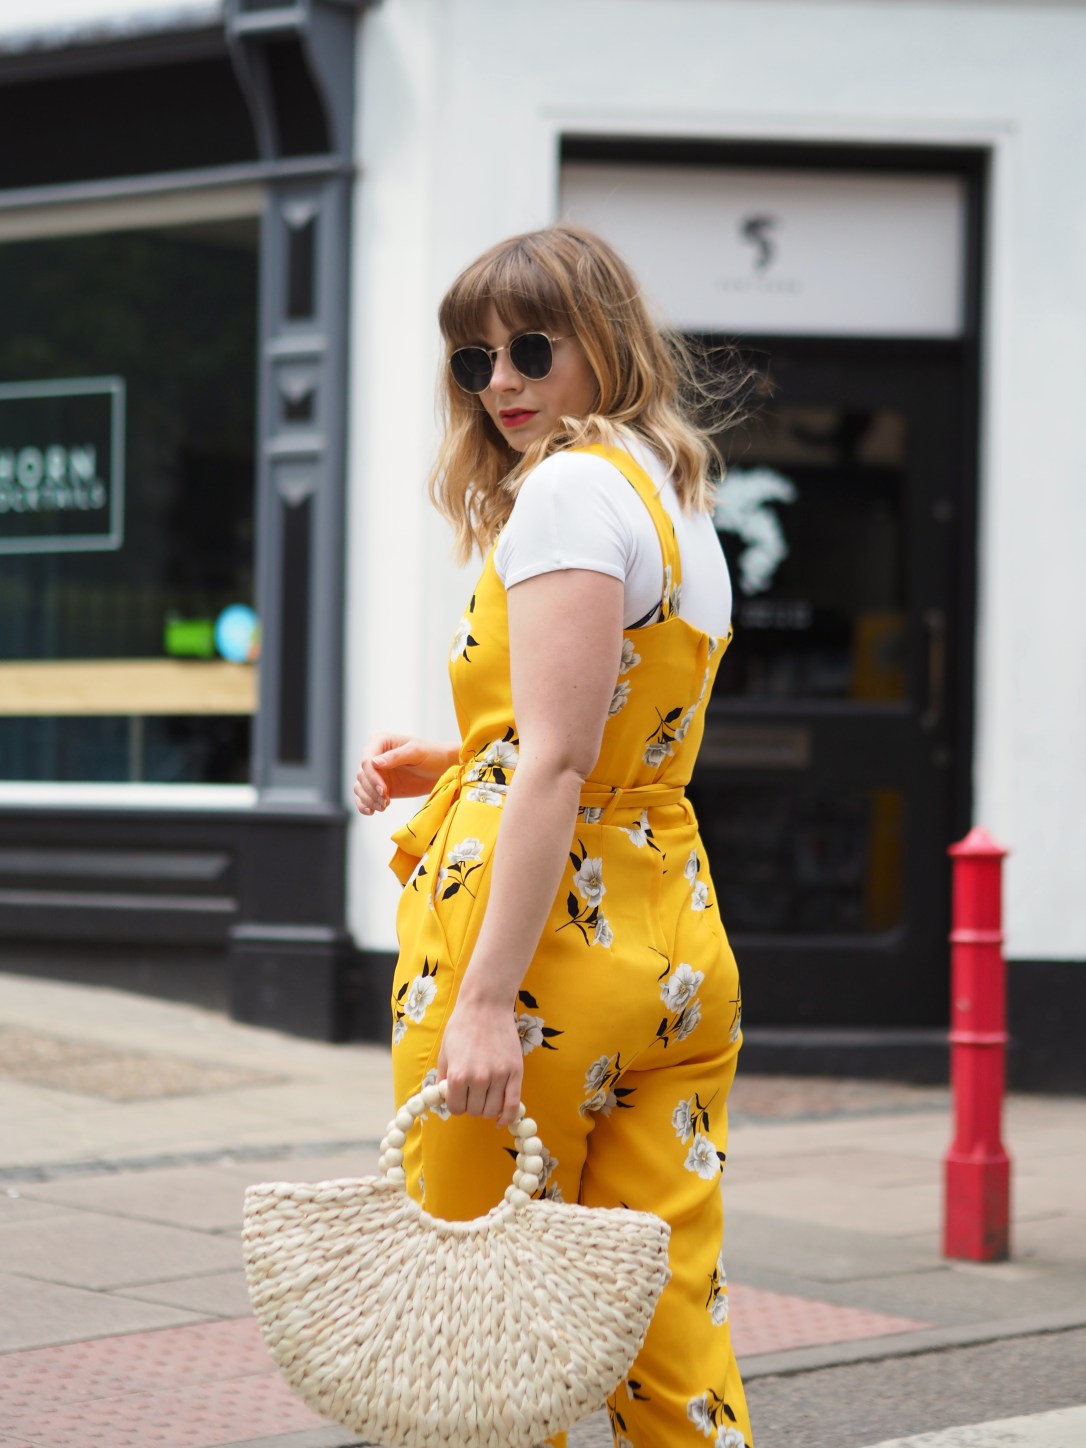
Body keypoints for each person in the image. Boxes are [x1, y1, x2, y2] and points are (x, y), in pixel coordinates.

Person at [354, 223, 752, 1448]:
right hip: (671, 943)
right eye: (474, 361)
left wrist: (482, 1006)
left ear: (607, 341)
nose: (504, 382)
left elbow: (561, 766)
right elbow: (615, 734)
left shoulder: (570, 491)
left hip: (541, 966)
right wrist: (463, 756)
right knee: (664, 1322)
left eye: (531, 346)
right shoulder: (670, 494)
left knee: (482, 1335)